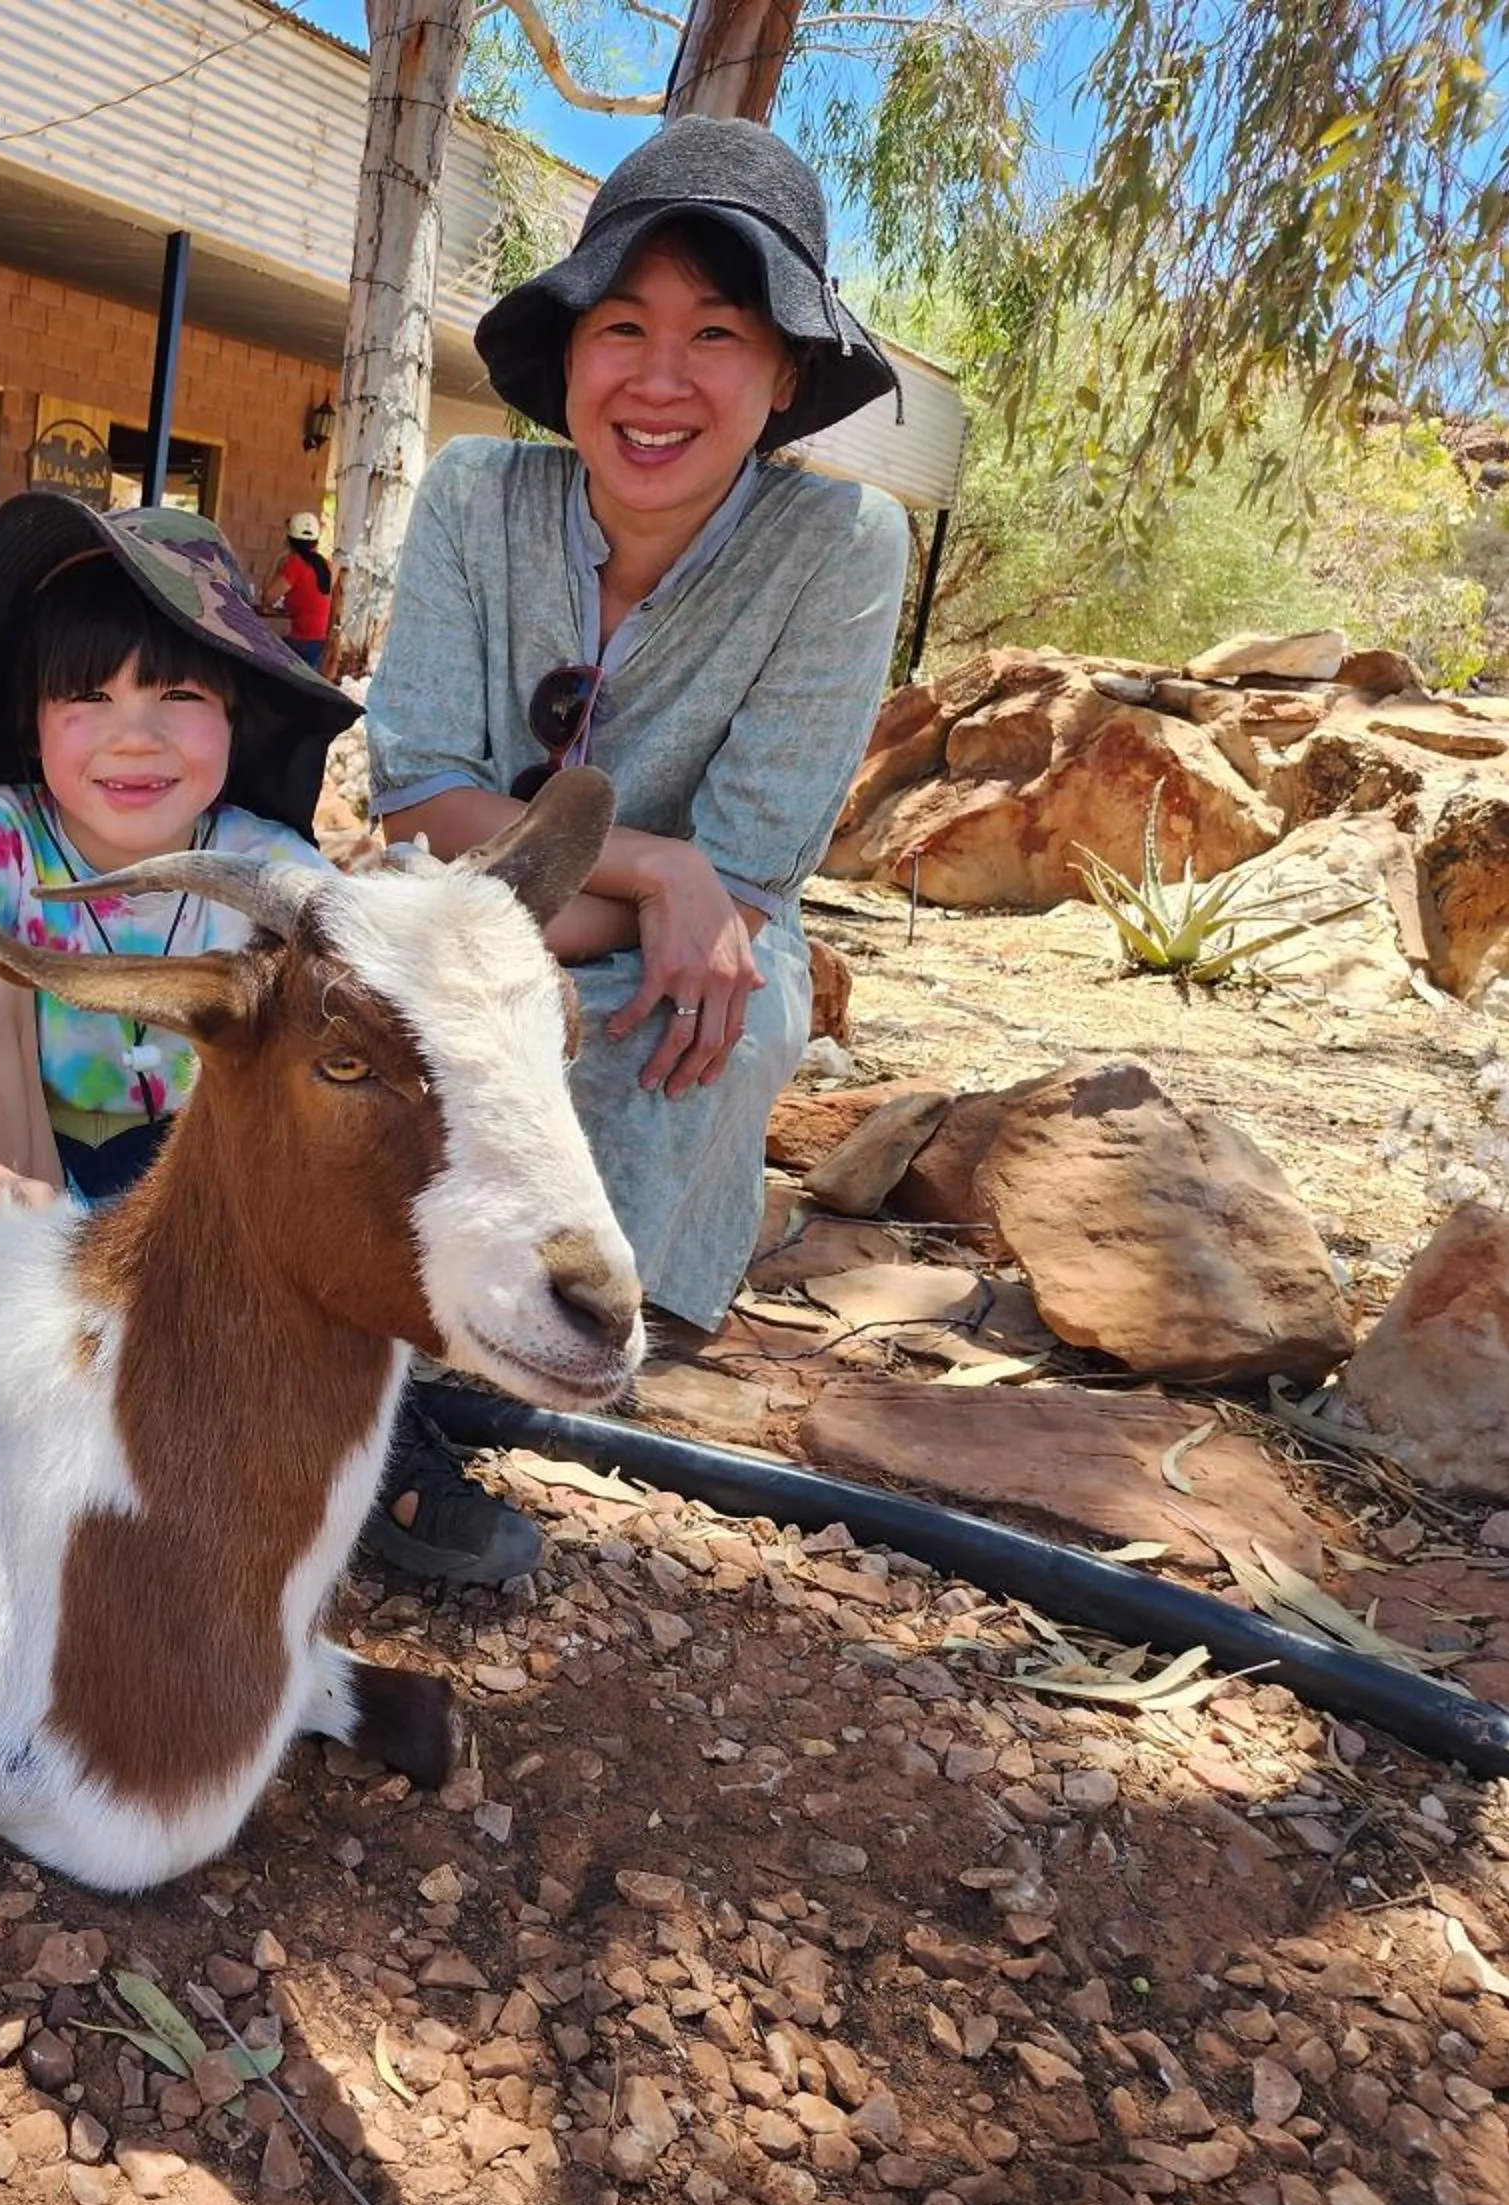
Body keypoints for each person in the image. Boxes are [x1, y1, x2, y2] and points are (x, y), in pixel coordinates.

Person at [357, 115, 911, 1585]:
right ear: (573, 349)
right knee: (381, 1013)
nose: (660, 379)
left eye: (717, 332)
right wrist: (649, 868)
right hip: (480, 899)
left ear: (784, 376)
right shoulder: (480, 498)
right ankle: (387, 1321)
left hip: (669, 935)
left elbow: (751, 864)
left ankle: (512, 1354)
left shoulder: (844, 549)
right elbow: (416, 787)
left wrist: (657, 894)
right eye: (626, 325)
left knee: (702, 1016)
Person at [0, 496, 357, 1211]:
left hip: (204, 1206)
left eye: (181, 693)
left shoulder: (267, 868)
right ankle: (7, 1273)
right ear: (31, 725)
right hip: (19, 1174)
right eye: (89, 694)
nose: (135, 737)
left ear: (235, 720)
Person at [261, 510, 336, 673]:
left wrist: (276, 560)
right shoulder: (324, 565)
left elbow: (267, 597)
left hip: (302, 642)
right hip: (319, 643)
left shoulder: (295, 564)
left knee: (261, 653)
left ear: (289, 540)